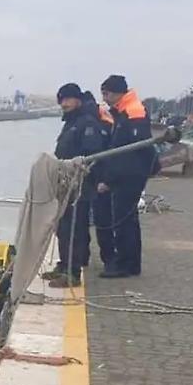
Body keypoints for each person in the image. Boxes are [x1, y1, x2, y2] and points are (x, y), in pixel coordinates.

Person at [43, 82, 107, 287]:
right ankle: (64, 265)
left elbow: (92, 154)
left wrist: (79, 171)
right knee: (63, 227)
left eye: (68, 99)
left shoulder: (87, 123)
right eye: (61, 100)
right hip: (66, 184)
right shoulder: (71, 122)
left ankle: (72, 272)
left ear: (78, 100)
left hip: (79, 186)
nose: (64, 104)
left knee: (75, 228)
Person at [96, 74, 153, 278]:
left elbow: (129, 151)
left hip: (130, 175)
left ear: (118, 92)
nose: (104, 98)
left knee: (123, 220)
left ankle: (125, 264)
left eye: (106, 93)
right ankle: (130, 263)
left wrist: (109, 179)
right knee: (126, 219)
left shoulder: (133, 112)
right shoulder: (123, 112)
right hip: (129, 173)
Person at [82, 90, 116, 267]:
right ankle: (109, 260)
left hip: (88, 178)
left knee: (82, 222)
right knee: (104, 223)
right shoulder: (107, 120)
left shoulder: (85, 121)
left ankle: (82, 258)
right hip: (101, 178)